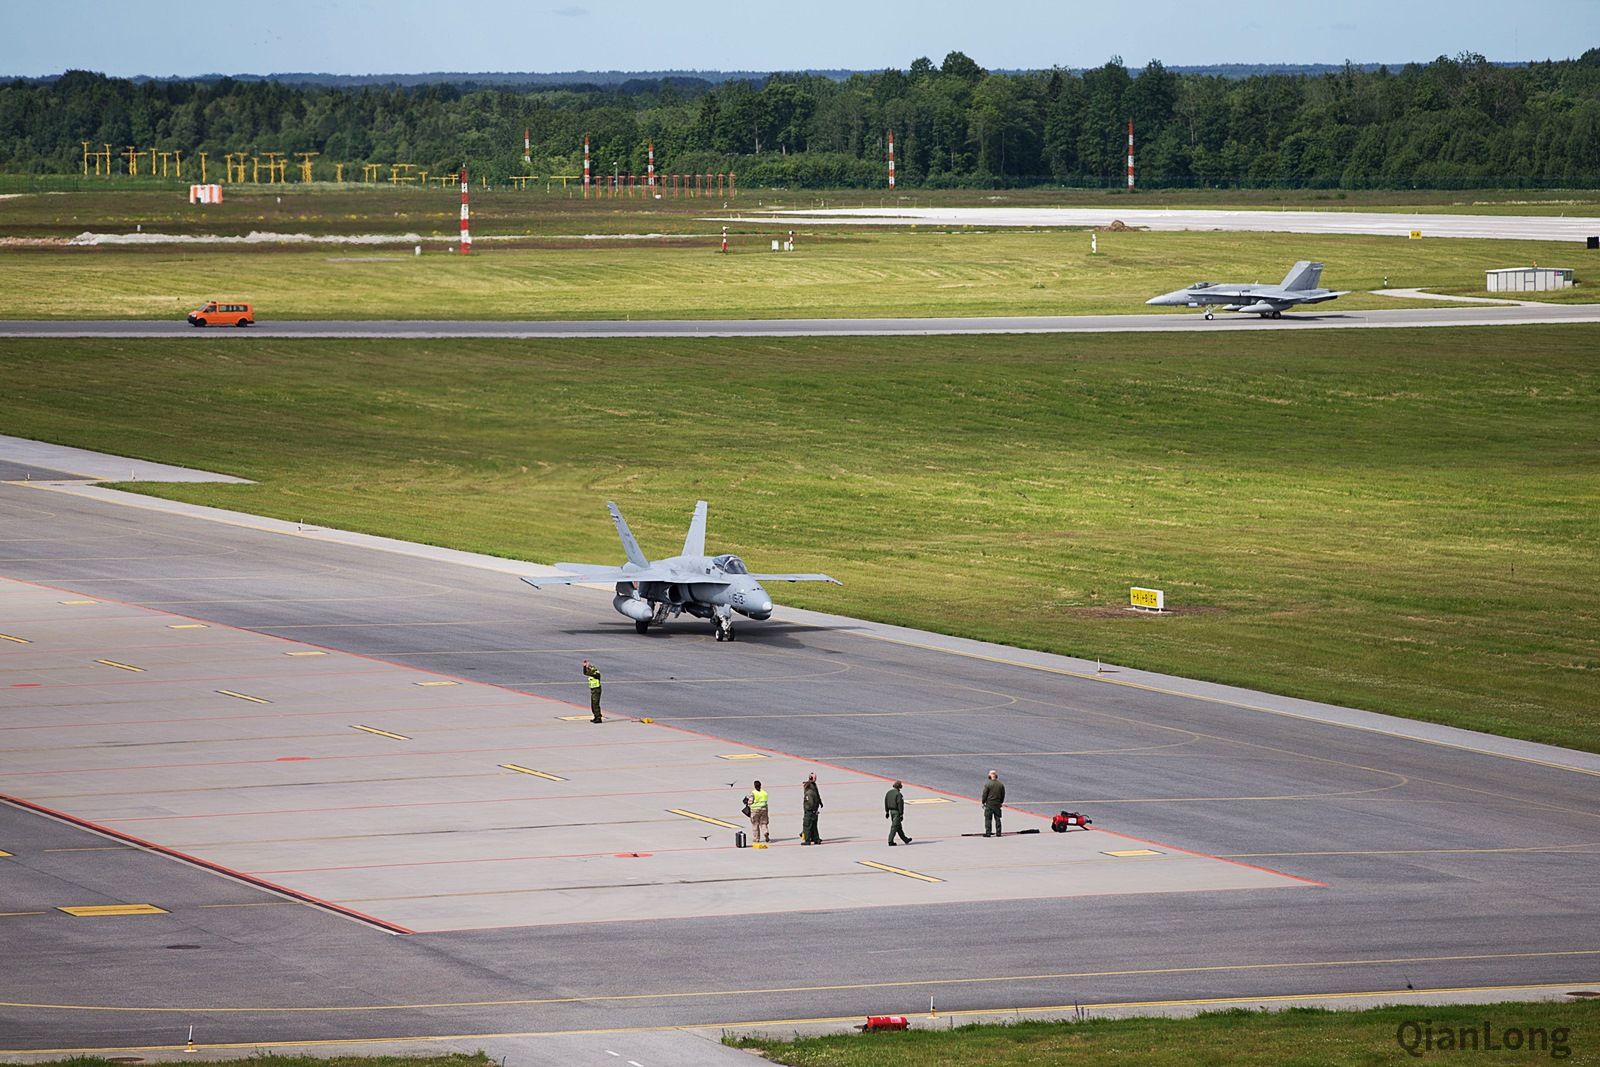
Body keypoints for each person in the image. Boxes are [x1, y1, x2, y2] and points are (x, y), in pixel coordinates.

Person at [884, 780, 911, 845]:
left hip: (891, 812)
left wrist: (887, 811)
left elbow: (886, 802)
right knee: (894, 826)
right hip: (896, 812)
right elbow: (900, 805)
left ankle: (905, 839)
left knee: (898, 827)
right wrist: (901, 814)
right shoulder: (898, 794)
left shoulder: (889, 793)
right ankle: (890, 841)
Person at [981, 769, 1006, 837]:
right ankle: (998, 832)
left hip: (989, 804)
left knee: (988, 819)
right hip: (997, 804)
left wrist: (983, 802)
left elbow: (984, 794)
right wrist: (1001, 802)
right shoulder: (1000, 785)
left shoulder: (988, 784)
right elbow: (1003, 794)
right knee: (997, 818)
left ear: (990, 776)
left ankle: (988, 832)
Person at [801, 773, 823, 845]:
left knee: (807, 825)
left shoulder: (809, 792)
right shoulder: (813, 787)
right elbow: (817, 795)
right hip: (814, 809)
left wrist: (811, 810)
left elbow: (809, 803)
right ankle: (816, 839)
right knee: (814, 825)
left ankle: (807, 840)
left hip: (810, 811)